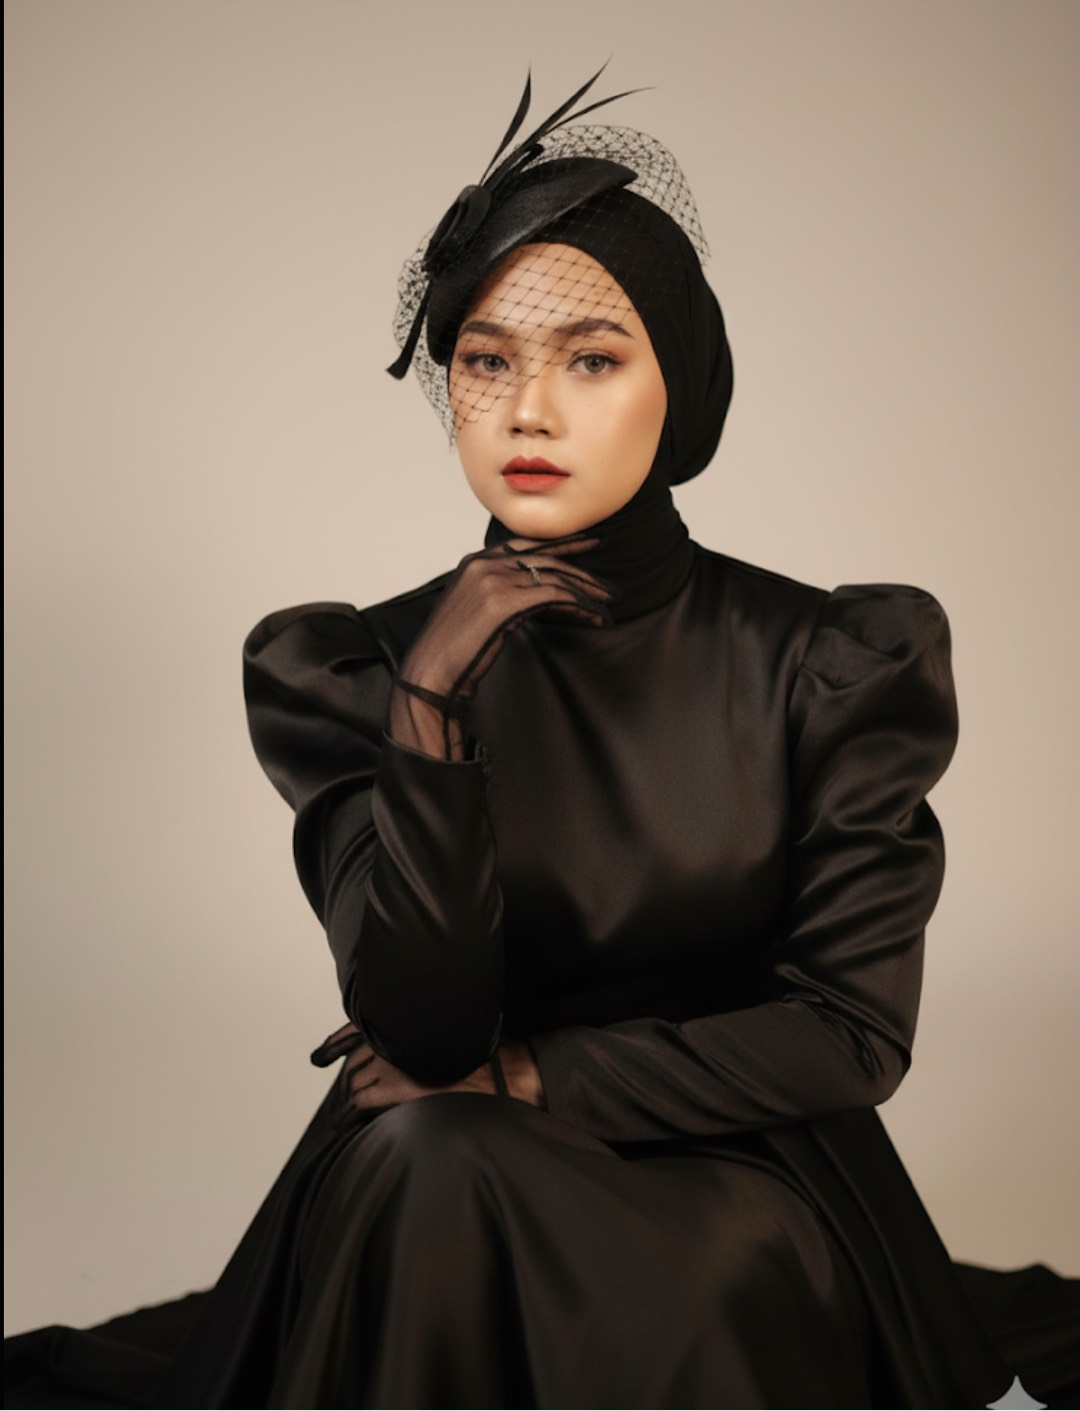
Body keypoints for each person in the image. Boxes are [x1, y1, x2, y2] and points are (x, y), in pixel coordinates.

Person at [5, 69, 1077, 1411]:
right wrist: (430, 713)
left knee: (641, 1243)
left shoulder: (829, 661)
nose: (528, 411)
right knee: (425, 1165)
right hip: (442, 1156)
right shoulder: (352, 669)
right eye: (486, 360)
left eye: (592, 358)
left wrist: (525, 1074)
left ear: (678, 386)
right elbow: (421, 1029)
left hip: (741, 1162)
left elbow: (850, 1037)